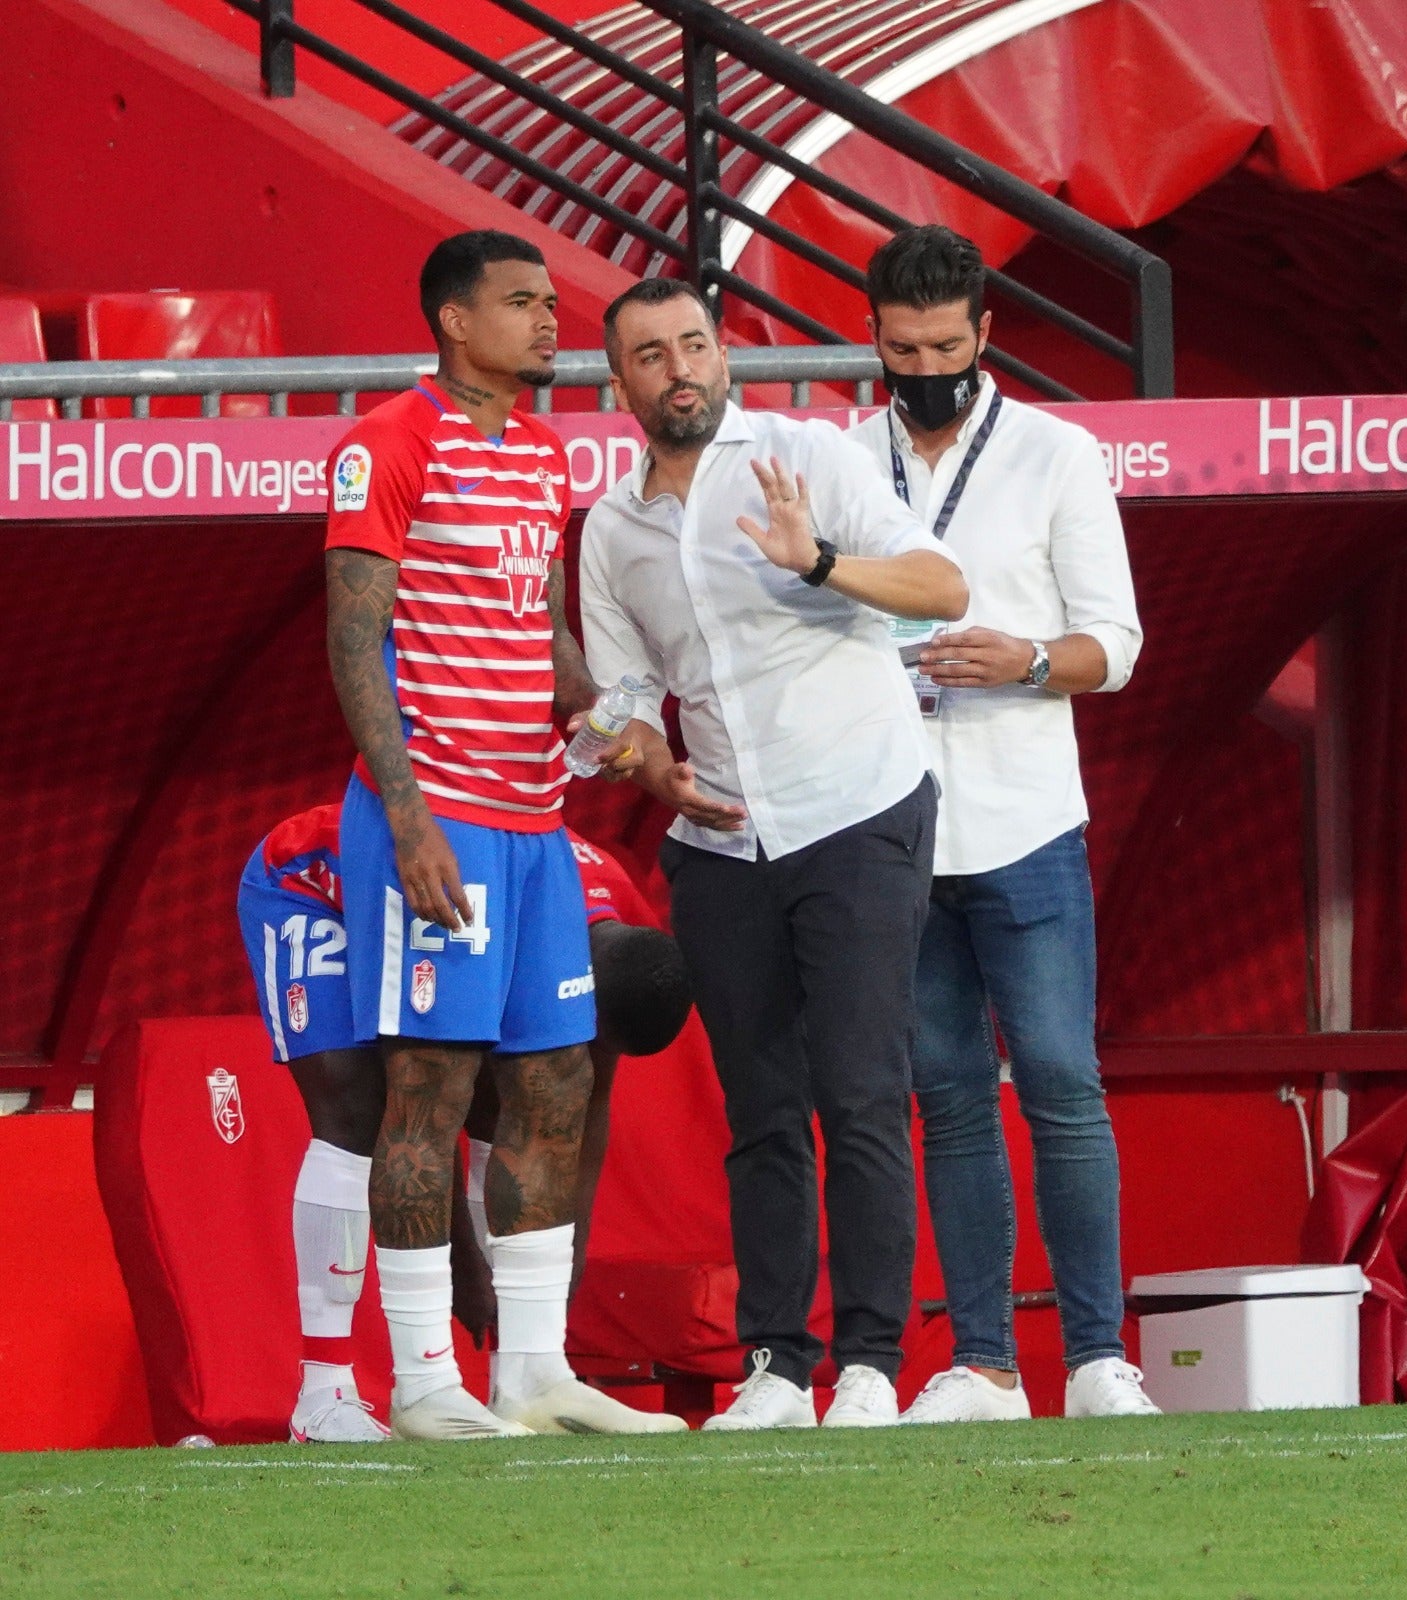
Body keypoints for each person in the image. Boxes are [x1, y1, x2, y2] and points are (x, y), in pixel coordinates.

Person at [580, 278, 969, 1430]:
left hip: (856, 808)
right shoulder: (609, 530)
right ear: (621, 385)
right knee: (759, 1111)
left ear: (722, 354)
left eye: (694, 342)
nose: (679, 367)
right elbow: (618, 701)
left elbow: (941, 587)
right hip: (720, 838)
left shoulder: (806, 456)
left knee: (859, 1094)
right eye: (650, 354)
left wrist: (818, 562)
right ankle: (776, 1364)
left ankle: (865, 1367)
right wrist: (639, 760)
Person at [324, 229, 682, 1440]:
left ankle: (531, 1367)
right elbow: (351, 638)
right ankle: (424, 1375)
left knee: (554, 1080)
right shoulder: (388, 442)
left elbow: (534, 626)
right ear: (452, 323)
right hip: (440, 820)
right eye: (521, 303)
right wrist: (408, 817)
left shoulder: (541, 454)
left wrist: (599, 713)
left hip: (535, 823)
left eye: (551, 301)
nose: (548, 322)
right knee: (428, 1084)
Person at [848, 224, 1157, 1422]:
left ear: (984, 335)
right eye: (897, 346)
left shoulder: (1053, 453)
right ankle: (981, 1361)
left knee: (1062, 1080)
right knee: (945, 1091)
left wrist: (1025, 656)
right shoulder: (839, 458)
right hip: (886, 821)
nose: (920, 363)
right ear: (872, 340)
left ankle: (1093, 1356)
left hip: (1024, 815)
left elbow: (1114, 646)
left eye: (940, 343)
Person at [237, 806, 693, 1442]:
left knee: (529, 1096)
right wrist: (462, 1267)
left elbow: (583, 1108)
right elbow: (424, 1107)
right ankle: (324, 1394)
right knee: (359, 1108)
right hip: (318, 886)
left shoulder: (619, 914)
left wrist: (559, 1276)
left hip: (483, 897)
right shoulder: (496, 919)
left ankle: (525, 1381)